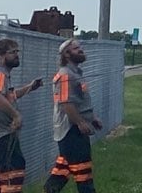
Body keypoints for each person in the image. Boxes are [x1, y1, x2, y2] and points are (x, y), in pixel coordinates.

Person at [0, 38, 43, 193]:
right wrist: (16, 116)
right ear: (1, 55)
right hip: (1, 134)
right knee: (14, 172)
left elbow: (7, 95)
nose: (17, 55)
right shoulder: (0, 74)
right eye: (13, 52)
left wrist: (30, 87)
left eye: (17, 51)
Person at [44, 39, 102, 193]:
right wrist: (80, 123)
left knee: (64, 167)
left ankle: (50, 189)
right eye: (76, 48)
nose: (81, 50)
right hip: (70, 130)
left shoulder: (75, 73)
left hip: (75, 128)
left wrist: (92, 119)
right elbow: (66, 103)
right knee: (83, 172)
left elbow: (79, 102)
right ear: (67, 54)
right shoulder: (65, 75)